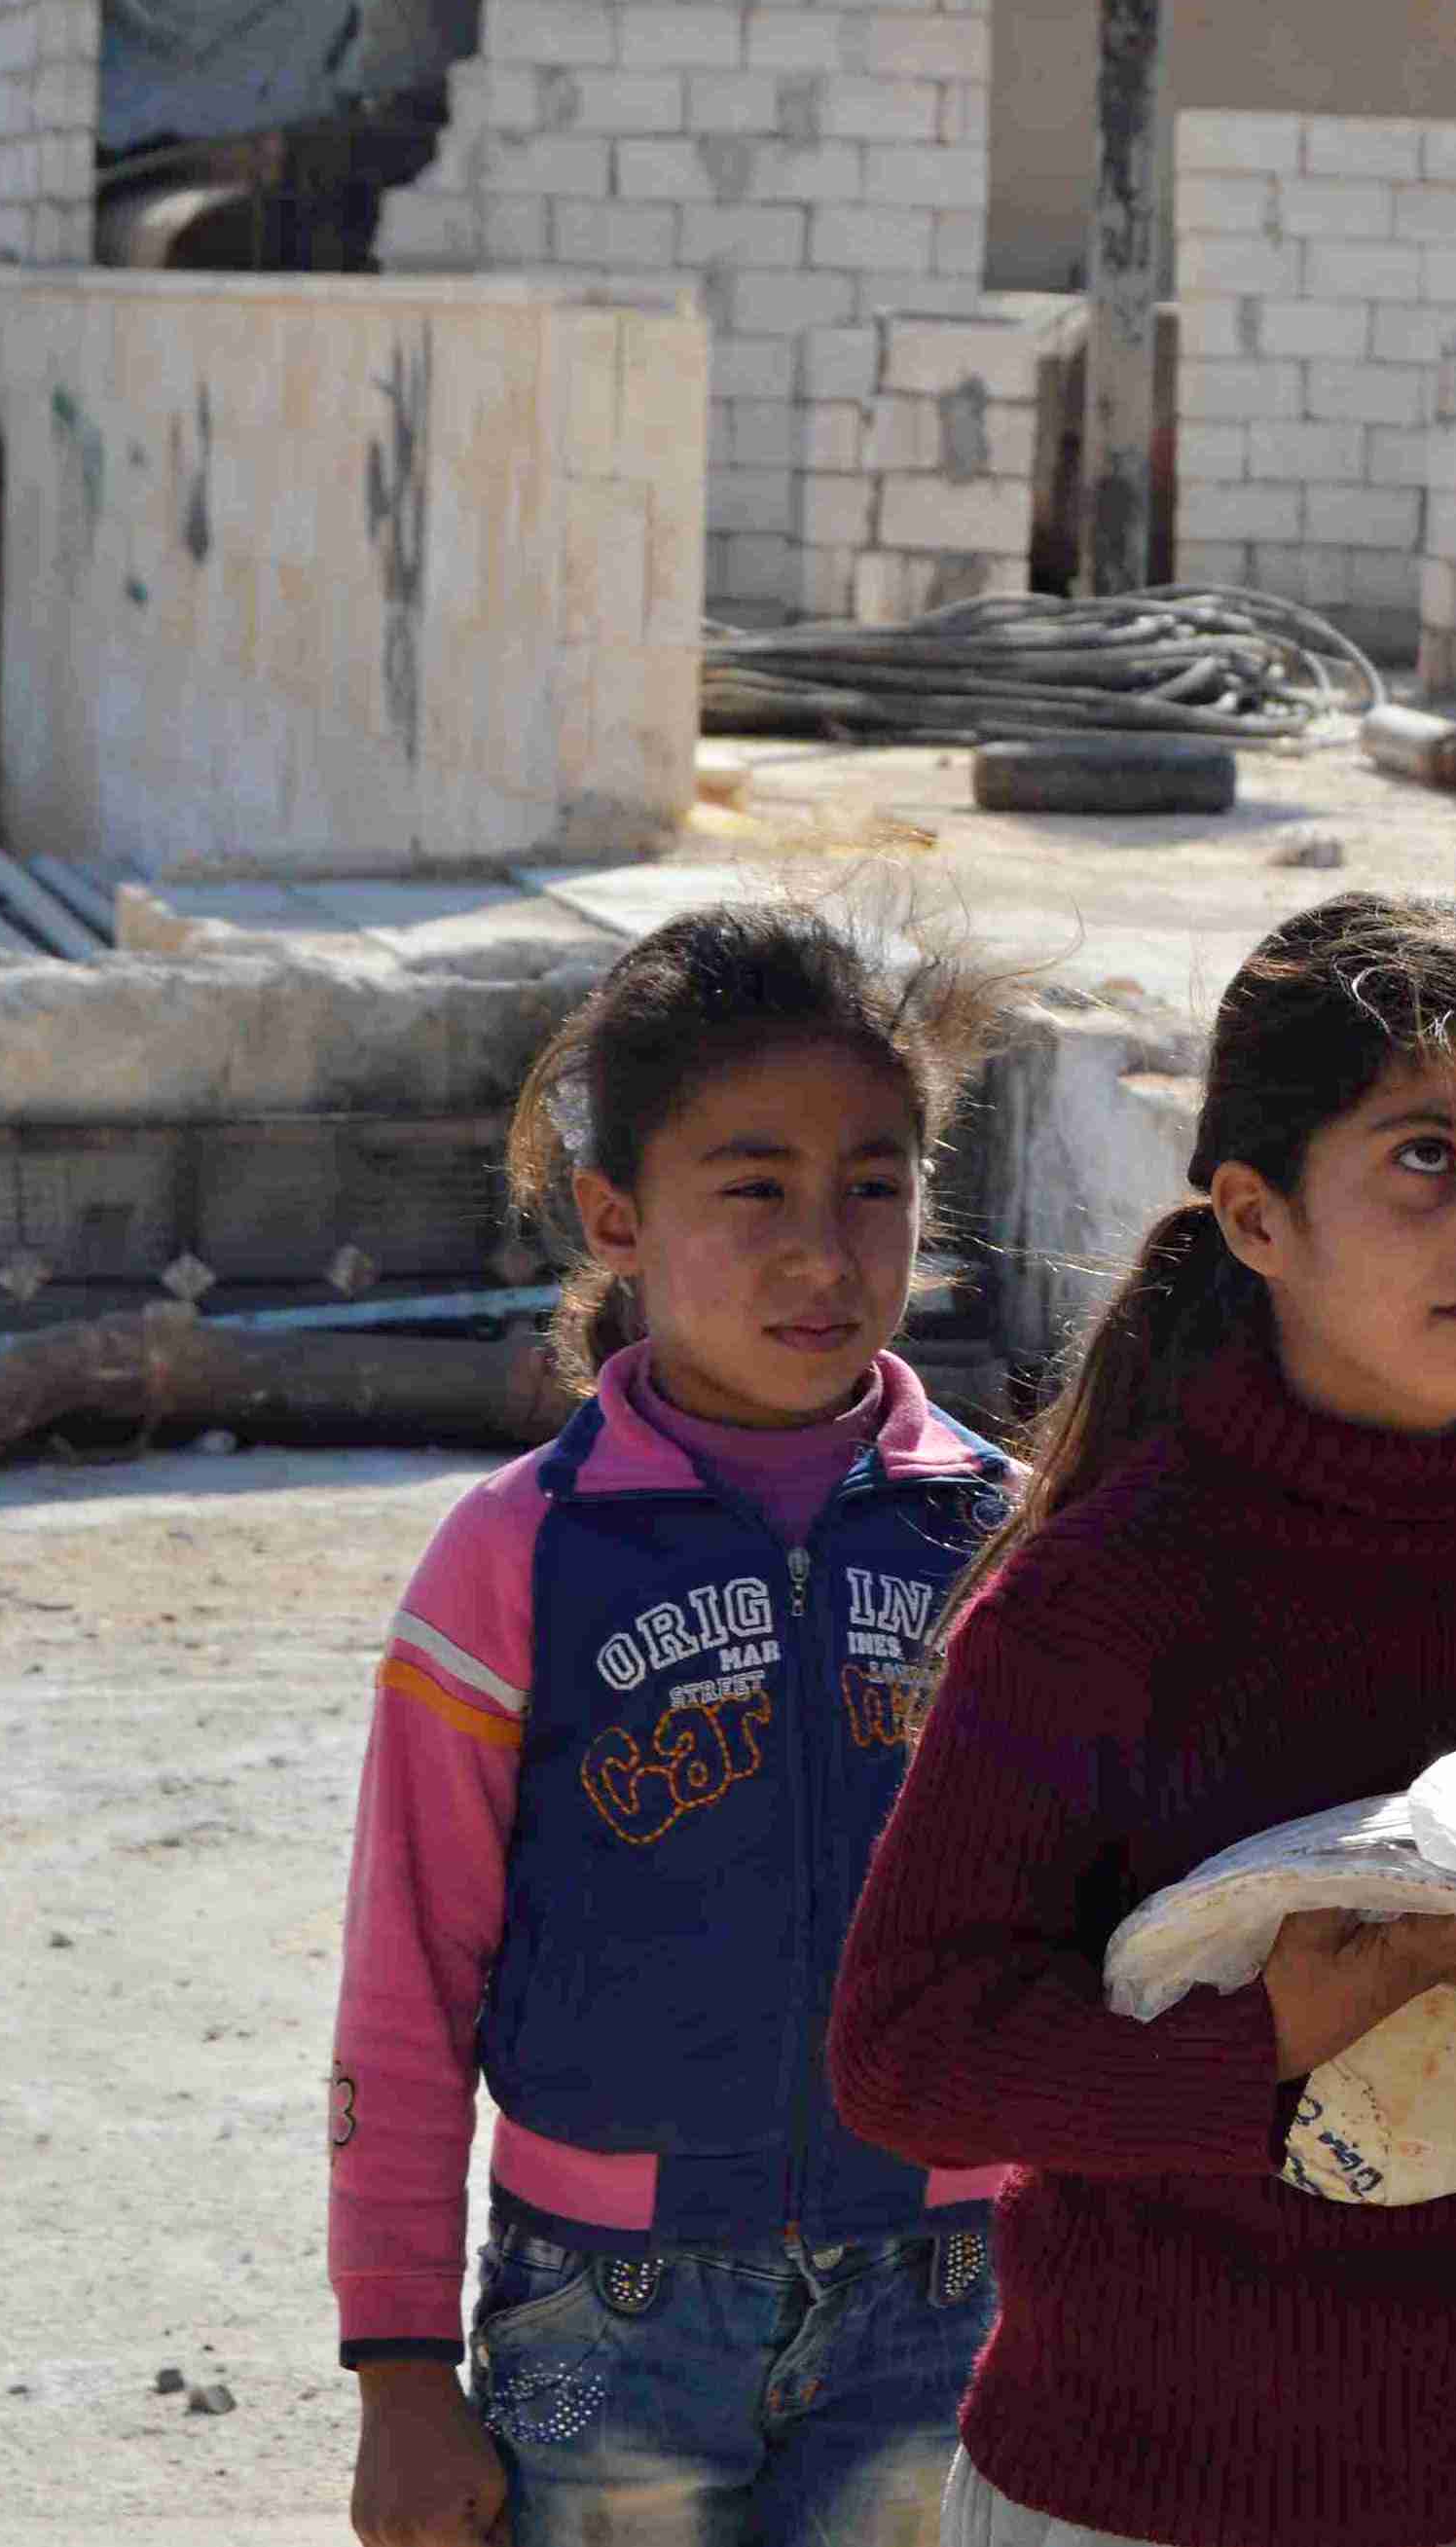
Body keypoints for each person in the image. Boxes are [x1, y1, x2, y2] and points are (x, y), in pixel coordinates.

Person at [827, 892, 1456, 2547]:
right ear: (1254, 1213)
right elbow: (904, 2050)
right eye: (1425, 1159)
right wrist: (1283, 2031)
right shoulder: (1103, 1607)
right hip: (1134, 2488)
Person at [332, 904, 1022, 2547]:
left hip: (951, 2291)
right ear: (615, 1215)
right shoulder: (518, 1554)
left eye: (872, 1181)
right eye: (753, 1185)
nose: (823, 1248)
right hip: (610, 2313)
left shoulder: (1003, 1539)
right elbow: (409, 1975)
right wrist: (397, 2367)